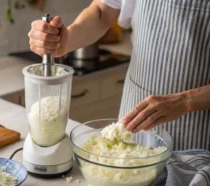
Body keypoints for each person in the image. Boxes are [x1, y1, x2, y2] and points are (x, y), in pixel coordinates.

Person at [28, 0, 210, 150]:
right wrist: (66, 40)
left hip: (199, 130)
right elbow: (102, 11)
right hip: (136, 113)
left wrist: (184, 101)